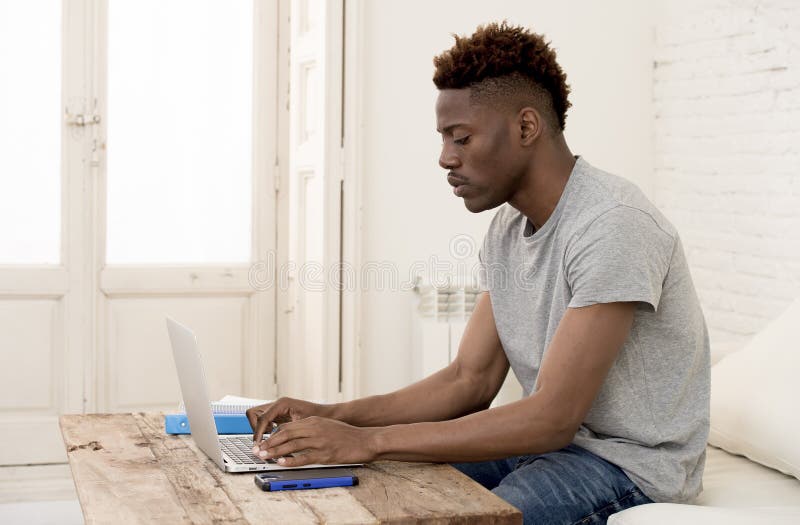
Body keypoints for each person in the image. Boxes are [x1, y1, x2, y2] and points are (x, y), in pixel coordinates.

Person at [247, 21, 710, 525]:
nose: (446, 157)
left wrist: (370, 439)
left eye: (460, 137)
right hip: (553, 447)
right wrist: (334, 415)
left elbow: (552, 418)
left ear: (526, 127)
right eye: (445, 138)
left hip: (624, 466)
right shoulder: (509, 226)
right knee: (364, 483)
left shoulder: (613, 224)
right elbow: (469, 379)